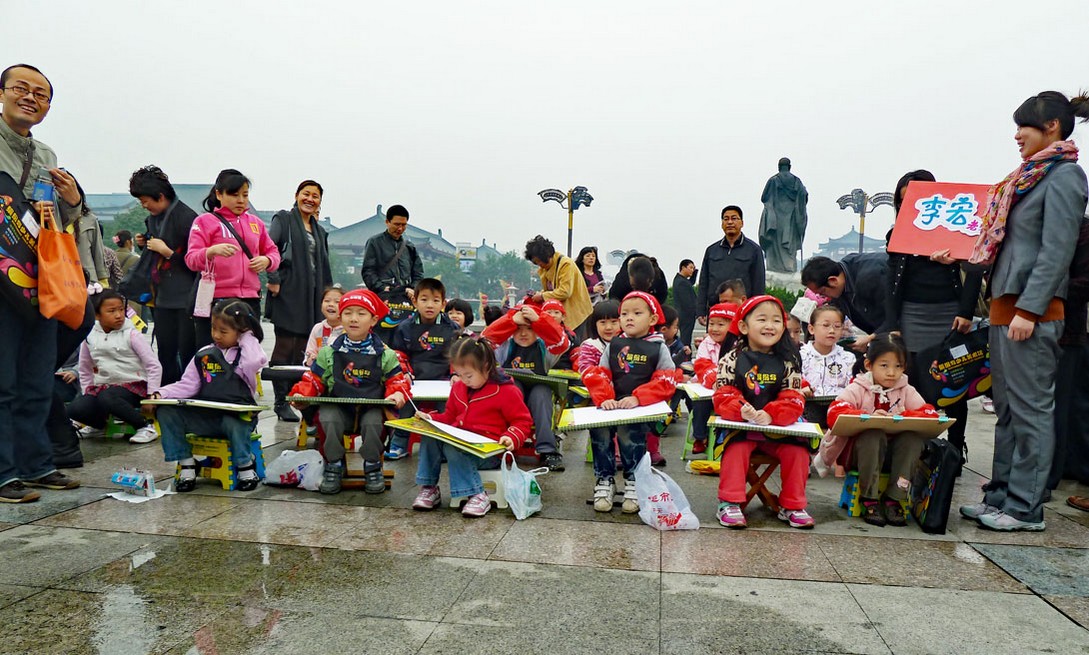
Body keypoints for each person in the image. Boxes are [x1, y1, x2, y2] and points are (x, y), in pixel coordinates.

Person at [958, 90, 1089, 531]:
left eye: (1023, 127)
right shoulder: (1028, 177)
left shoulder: (1065, 176)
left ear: (1051, 126)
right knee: (1008, 409)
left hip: (1031, 310)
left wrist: (1031, 310)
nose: (1017, 136)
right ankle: (1000, 495)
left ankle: (1025, 508)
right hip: (1004, 307)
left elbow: (1057, 251)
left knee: (1031, 410)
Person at [0, 63, 83, 502]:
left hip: (39, 279)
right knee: (3, 380)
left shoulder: (47, 156)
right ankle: (4, 471)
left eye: (41, 94)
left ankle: (35, 465)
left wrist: (72, 201)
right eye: (21, 88)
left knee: (35, 378)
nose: (30, 98)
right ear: (2, 93)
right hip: (1, 281)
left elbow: (53, 222)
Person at [885, 168, 983, 456]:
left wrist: (965, 312)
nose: (909, 205)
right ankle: (917, 448)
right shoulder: (897, 234)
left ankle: (955, 448)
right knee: (913, 381)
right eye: (903, 200)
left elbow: (976, 269)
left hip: (948, 313)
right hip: (912, 314)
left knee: (952, 381)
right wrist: (892, 323)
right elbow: (891, 282)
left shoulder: (956, 227)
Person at [290, 289, 412, 494]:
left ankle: (372, 466)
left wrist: (397, 393)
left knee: (374, 422)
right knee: (327, 417)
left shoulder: (386, 354)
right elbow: (314, 379)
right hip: (339, 409)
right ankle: (334, 465)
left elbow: (397, 381)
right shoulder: (328, 352)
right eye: (348, 313)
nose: (354, 319)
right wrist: (302, 394)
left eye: (361, 314)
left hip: (370, 409)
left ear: (373, 320)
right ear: (340, 317)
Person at [712, 295, 814, 529]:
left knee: (797, 452)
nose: (770, 326)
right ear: (743, 326)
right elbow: (722, 394)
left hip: (778, 430)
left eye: (776, 321)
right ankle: (729, 502)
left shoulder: (788, 362)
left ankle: (793, 505)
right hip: (742, 429)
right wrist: (742, 409)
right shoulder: (731, 359)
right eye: (762, 319)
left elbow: (794, 398)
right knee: (736, 449)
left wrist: (771, 414)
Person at [148, 301, 268, 492]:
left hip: (237, 419)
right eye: (213, 328)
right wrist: (160, 393)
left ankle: (245, 465)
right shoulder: (203, 354)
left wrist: (247, 336)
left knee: (233, 423)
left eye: (223, 331)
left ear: (241, 331)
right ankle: (187, 463)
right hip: (206, 418)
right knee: (166, 411)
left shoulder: (246, 355)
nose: (216, 335)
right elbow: (187, 385)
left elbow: (254, 362)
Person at [823, 334, 939, 526]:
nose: (892, 373)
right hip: (860, 455)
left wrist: (905, 415)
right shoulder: (858, 387)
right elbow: (834, 412)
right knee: (872, 434)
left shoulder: (906, 389)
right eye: (884, 365)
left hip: (894, 456)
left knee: (912, 440)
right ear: (869, 365)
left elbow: (929, 414)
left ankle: (895, 498)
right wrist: (867, 416)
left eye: (898, 366)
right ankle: (868, 498)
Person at [412, 337, 533, 517]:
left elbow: (522, 421)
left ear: (486, 366)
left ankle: (476, 494)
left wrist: (511, 436)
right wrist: (430, 419)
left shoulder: (506, 391)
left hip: (489, 452)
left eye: (468, 375)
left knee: (452, 448)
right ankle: (429, 487)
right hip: (460, 443)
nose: (464, 380)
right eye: (459, 375)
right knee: (430, 435)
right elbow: (449, 417)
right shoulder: (458, 388)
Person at [582, 292, 679, 512]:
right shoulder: (614, 344)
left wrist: (638, 397)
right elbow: (601, 373)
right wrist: (604, 398)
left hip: (639, 409)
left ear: (652, 319)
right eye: (624, 314)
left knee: (630, 436)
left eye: (637, 313)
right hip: (612, 406)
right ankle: (604, 479)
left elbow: (666, 381)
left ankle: (634, 481)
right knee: (599, 432)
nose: (629, 318)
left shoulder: (658, 347)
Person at [185, 169, 280, 350]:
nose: (241, 200)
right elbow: (191, 259)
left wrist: (267, 260)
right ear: (219, 194)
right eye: (234, 195)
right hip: (218, 300)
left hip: (250, 300)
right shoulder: (204, 221)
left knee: (248, 352)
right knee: (214, 352)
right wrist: (210, 251)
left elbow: (274, 253)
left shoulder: (256, 223)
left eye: (245, 195)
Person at [265, 180, 333, 422]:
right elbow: (269, 249)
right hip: (288, 291)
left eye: (315, 196)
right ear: (296, 195)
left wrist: (329, 297)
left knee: (304, 349)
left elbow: (324, 265)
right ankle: (280, 401)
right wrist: (273, 279)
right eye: (306, 194)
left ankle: (298, 397)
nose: (310, 199)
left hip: (312, 296)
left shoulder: (320, 231)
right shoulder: (283, 219)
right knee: (285, 345)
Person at [128, 165, 199, 385]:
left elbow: (197, 261)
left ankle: (189, 391)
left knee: (187, 352)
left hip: (185, 297)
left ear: (160, 196)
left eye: (145, 201)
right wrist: (145, 243)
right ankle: (167, 391)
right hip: (162, 296)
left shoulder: (188, 218)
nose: (144, 206)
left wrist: (167, 252)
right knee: (165, 351)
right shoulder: (154, 218)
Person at [482, 302, 570, 471]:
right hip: (514, 392)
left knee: (541, 393)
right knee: (512, 387)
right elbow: (486, 339)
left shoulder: (546, 348)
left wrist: (540, 320)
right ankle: (502, 443)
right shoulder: (506, 347)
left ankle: (548, 450)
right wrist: (510, 320)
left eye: (529, 328)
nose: (523, 333)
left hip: (539, 392)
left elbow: (562, 343)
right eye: (518, 328)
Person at [67, 291, 162, 444]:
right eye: (111, 311)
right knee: (75, 408)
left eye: (121, 309)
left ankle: (144, 426)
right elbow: (85, 369)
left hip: (134, 387)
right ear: (97, 315)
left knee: (107, 397)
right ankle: (98, 426)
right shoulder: (90, 336)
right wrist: (87, 394)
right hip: (104, 388)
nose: (118, 315)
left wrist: (152, 395)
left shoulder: (132, 335)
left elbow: (153, 365)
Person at [386, 278, 461, 459]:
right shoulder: (404, 327)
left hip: (444, 379)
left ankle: (445, 445)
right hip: (415, 378)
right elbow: (399, 354)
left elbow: (458, 355)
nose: (430, 305)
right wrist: (405, 372)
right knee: (405, 401)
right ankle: (399, 443)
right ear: (415, 301)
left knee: (448, 406)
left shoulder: (452, 328)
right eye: (424, 299)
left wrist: (455, 373)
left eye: (435, 300)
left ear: (443, 304)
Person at [801, 253, 893, 353]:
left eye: (823, 293)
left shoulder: (872, 276)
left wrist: (870, 338)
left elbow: (896, 317)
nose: (825, 298)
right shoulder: (840, 284)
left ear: (833, 280)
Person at [361, 204, 423, 343]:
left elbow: (418, 273)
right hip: (384, 298)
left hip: (406, 299)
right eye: (396, 224)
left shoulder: (409, 247)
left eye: (404, 225)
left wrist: (413, 288)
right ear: (387, 222)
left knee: (405, 337)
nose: (400, 228)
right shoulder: (375, 242)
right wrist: (382, 288)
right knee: (381, 335)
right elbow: (368, 271)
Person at [697, 205, 766, 322]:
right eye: (726, 219)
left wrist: (755, 311)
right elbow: (704, 282)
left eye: (734, 218)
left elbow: (758, 283)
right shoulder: (712, 250)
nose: (729, 222)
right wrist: (700, 310)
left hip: (741, 311)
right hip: (716, 309)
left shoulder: (753, 250)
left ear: (742, 223)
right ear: (722, 224)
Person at [689, 302, 737, 454]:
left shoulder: (739, 344)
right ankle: (700, 437)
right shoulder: (706, 343)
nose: (714, 329)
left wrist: (725, 382)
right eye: (711, 324)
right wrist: (715, 381)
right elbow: (702, 365)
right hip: (709, 388)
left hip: (732, 389)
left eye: (721, 325)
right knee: (699, 403)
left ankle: (727, 437)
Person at [525, 235, 593, 332]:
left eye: (539, 261)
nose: (539, 265)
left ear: (548, 256)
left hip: (577, 315)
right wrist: (539, 294)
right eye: (536, 262)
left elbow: (565, 292)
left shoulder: (566, 264)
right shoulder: (545, 269)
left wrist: (542, 296)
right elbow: (550, 290)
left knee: (573, 341)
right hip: (561, 315)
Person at [759, 157, 809, 273]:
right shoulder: (797, 181)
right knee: (789, 244)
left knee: (774, 244)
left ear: (779, 167)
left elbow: (764, 198)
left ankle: (775, 267)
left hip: (775, 219)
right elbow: (804, 196)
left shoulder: (773, 180)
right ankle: (789, 266)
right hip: (791, 219)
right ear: (789, 167)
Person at [800, 305, 855, 399]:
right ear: (811, 329)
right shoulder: (800, 356)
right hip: (807, 403)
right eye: (825, 325)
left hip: (839, 404)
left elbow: (853, 387)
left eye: (837, 326)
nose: (832, 331)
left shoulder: (848, 358)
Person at [303, 285, 346, 367]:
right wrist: (310, 359)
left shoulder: (348, 330)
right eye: (327, 301)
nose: (331, 304)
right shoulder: (317, 328)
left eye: (337, 302)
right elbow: (309, 353)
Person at [672, 259, 698, 349]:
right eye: (690, 268)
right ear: (683, 267)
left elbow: (690, 283)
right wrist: (697, 311)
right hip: (686, 315)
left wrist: (695, 272)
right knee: (686, 339)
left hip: (684, 315)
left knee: (686, 338)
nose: (692, 270)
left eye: (693, 268)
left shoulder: (681, 280)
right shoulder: (681, 282)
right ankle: (684, 354)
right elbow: (687, 302)